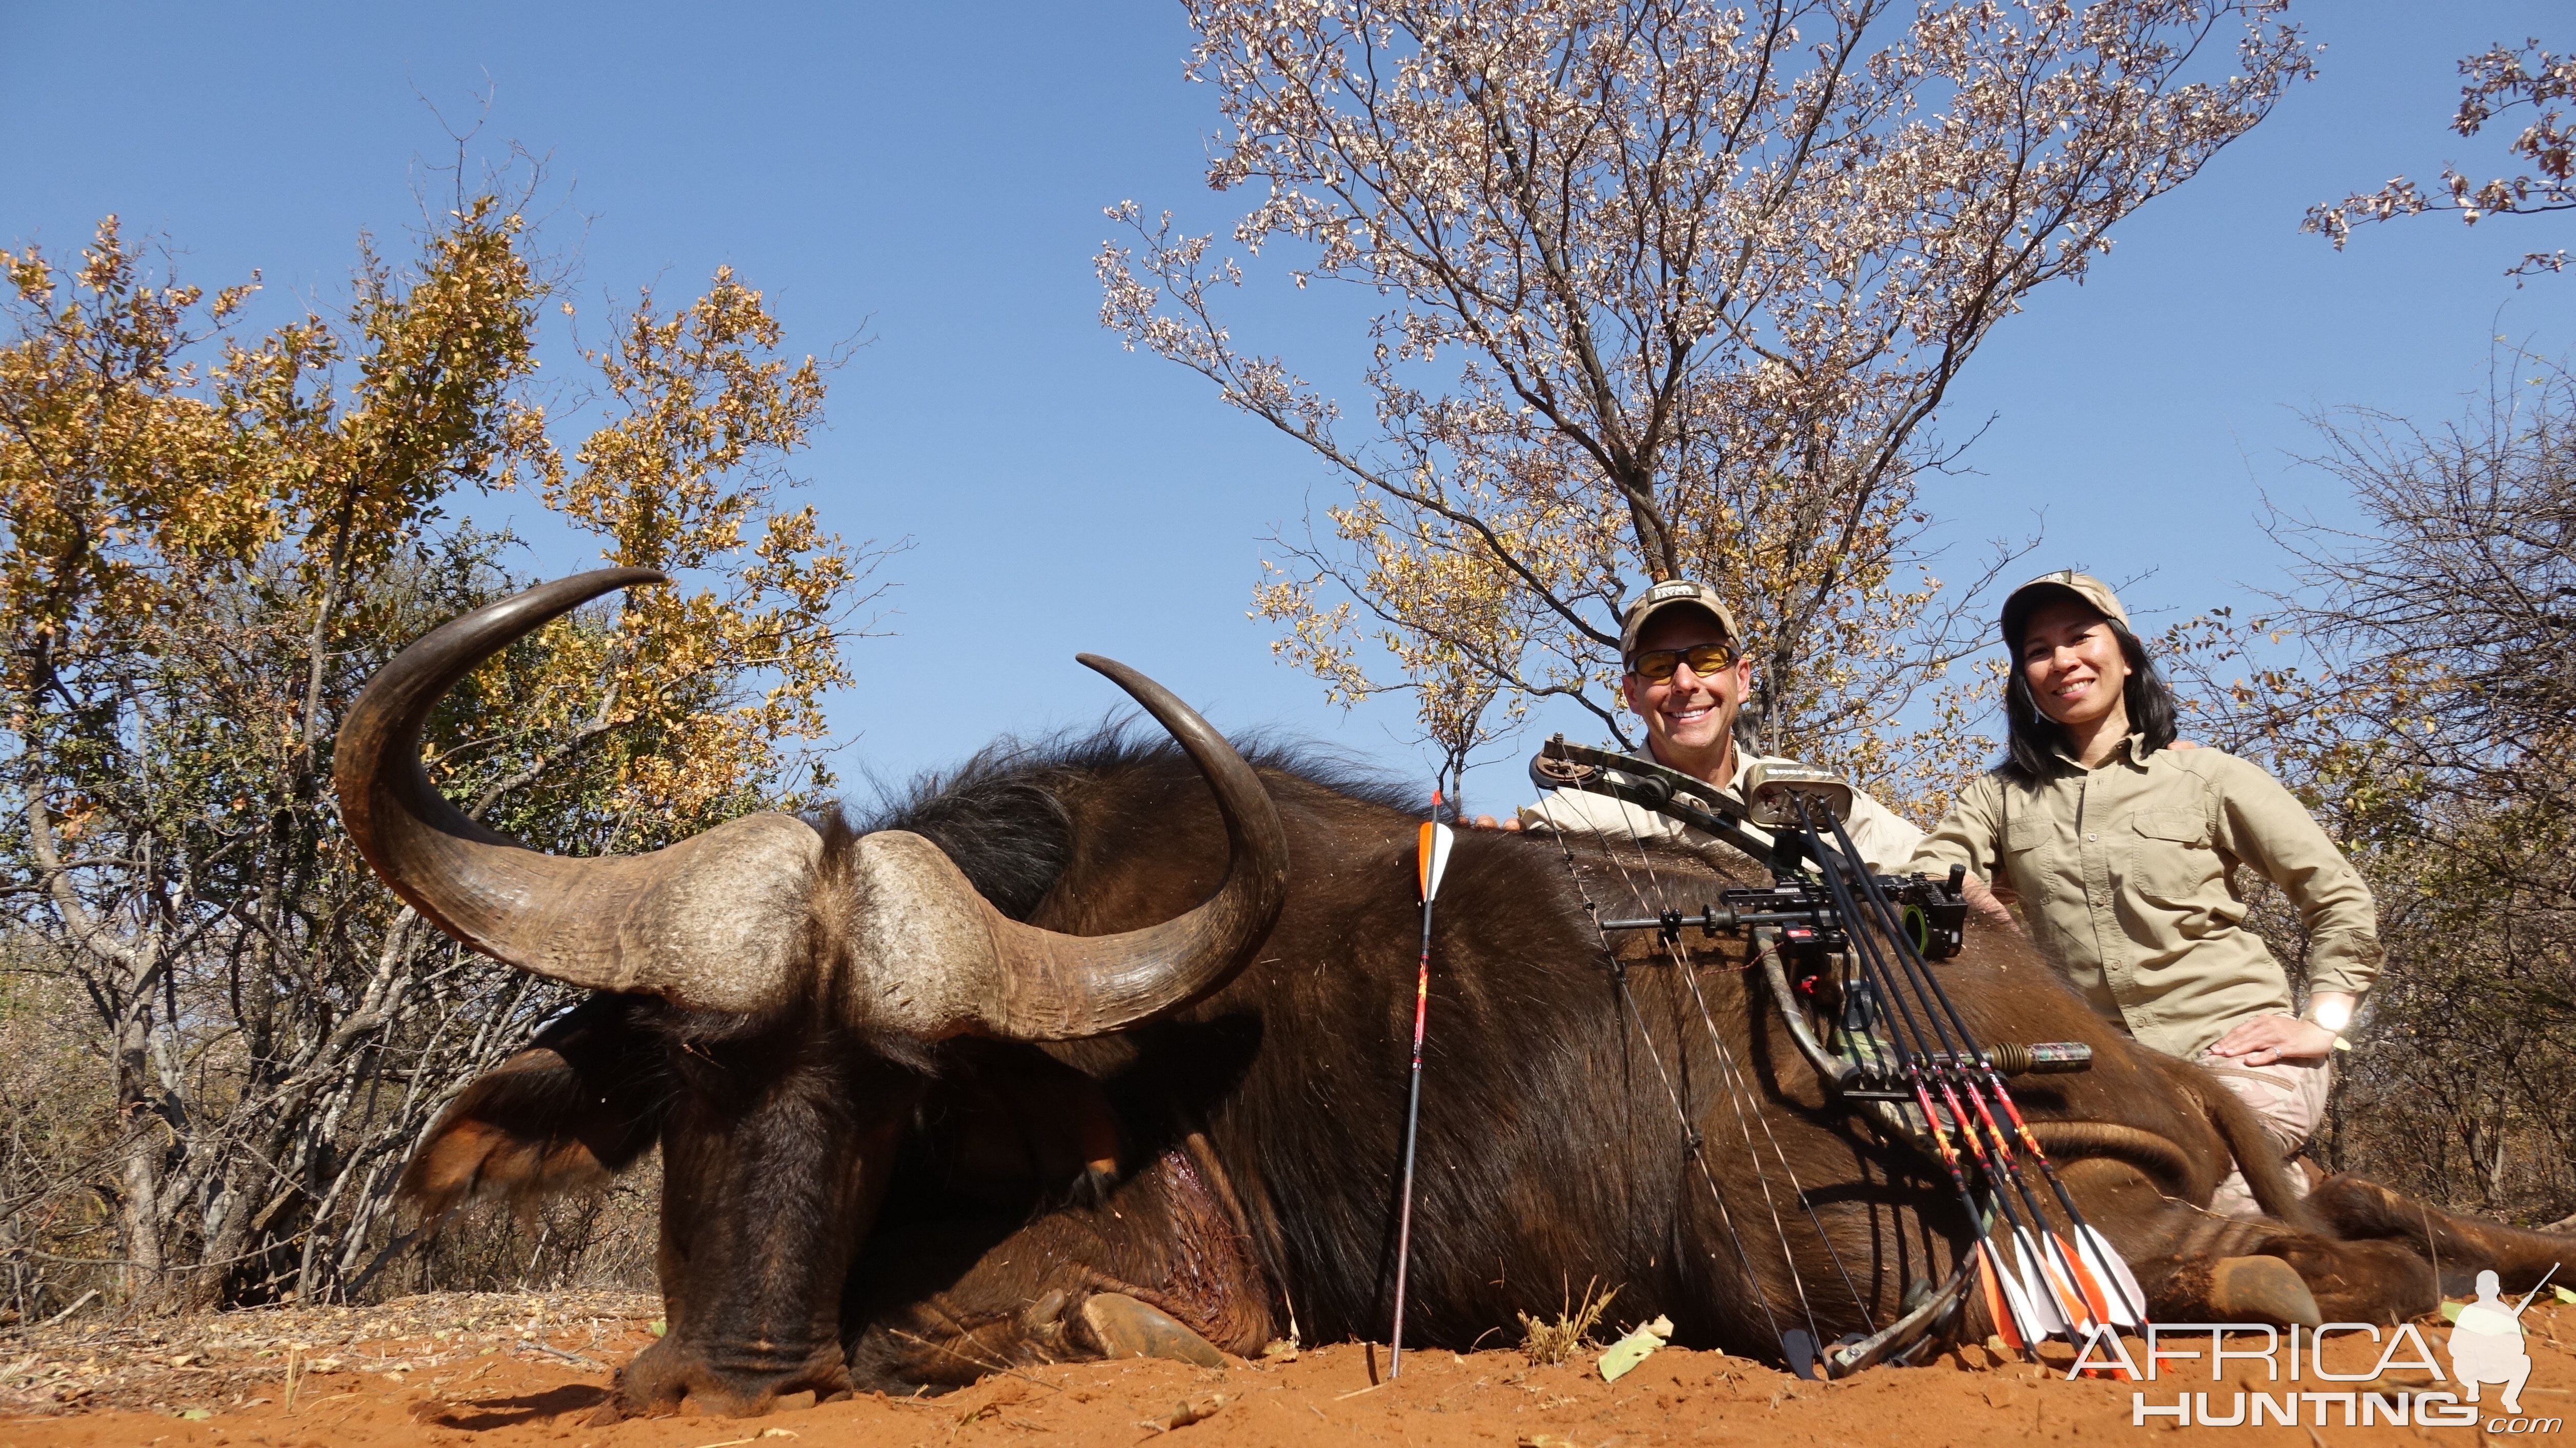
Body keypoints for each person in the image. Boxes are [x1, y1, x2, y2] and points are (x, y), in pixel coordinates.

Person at [1907, 570, 2383, 1217]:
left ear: (2126, 656)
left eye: (2079, 638)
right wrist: (1976, 904)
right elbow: (1933, 872)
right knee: (2049, 1208)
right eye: (2038, 650)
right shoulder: (1997, 796)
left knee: (2214, 1212)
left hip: (2235, 1051)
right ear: (2024, 676)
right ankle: (2330, 1209)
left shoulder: (2208, 775)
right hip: (2105, 1070)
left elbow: (2333, 893)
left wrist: (2320, 1023)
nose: (2062, 661)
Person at [1488, 579, 1924, 872]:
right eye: (1658, 665)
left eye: (1707, 659)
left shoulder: (1817, 801)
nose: (1683, 682)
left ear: (1742, 678)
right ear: (1633, 694)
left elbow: (1946, 867)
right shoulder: (1580, 816)